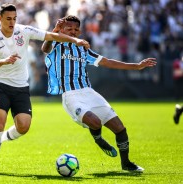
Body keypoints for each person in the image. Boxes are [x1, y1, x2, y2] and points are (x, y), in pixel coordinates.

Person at [0, 4, 90, 175]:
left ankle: (1, 138)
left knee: (23, 127)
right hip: (0, 85)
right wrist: (3, 61)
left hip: (21, 87)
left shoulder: (24, 31)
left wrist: (75, 40)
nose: (12, 22)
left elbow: (50, 35)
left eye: (14, 18)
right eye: (8, 18)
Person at [41, 15, 157, 172]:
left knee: (120, 128)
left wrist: (136, 66)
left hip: (89, 92)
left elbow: (107, 62)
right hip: (71, 95)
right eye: (69, 29)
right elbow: (45, 48)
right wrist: (54, 31)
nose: (73, 32)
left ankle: (126, 164)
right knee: (94, 122)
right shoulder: (56, 43)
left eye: (76, 29)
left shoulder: (83, 48)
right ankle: (98, 138)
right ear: (62, 29)